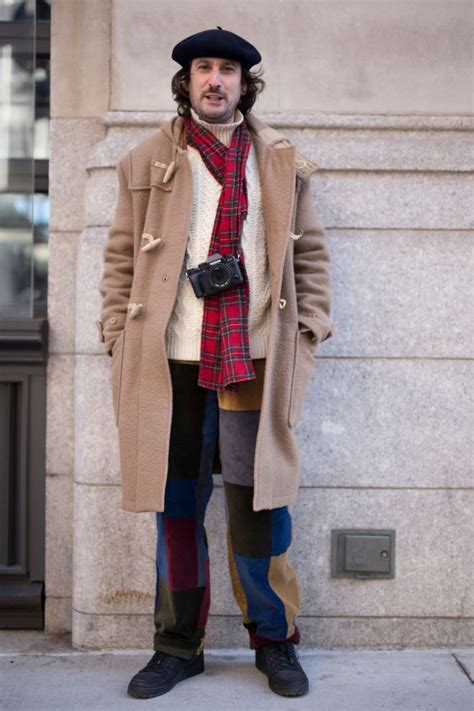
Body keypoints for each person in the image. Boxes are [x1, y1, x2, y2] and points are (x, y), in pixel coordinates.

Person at [96, 27, 333, 700]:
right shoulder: (146, 159)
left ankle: (274, 640)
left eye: (227, 69)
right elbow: (119, 259)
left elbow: (310, 257)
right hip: (169, 364)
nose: (215, 80)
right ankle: (177, 647)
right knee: (176, 509)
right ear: (187, 79)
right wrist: (117, 331)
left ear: (244, 83)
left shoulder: (280, 161)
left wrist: (310, 328)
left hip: (254, 357)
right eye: (204, 68)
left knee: (262, 511)